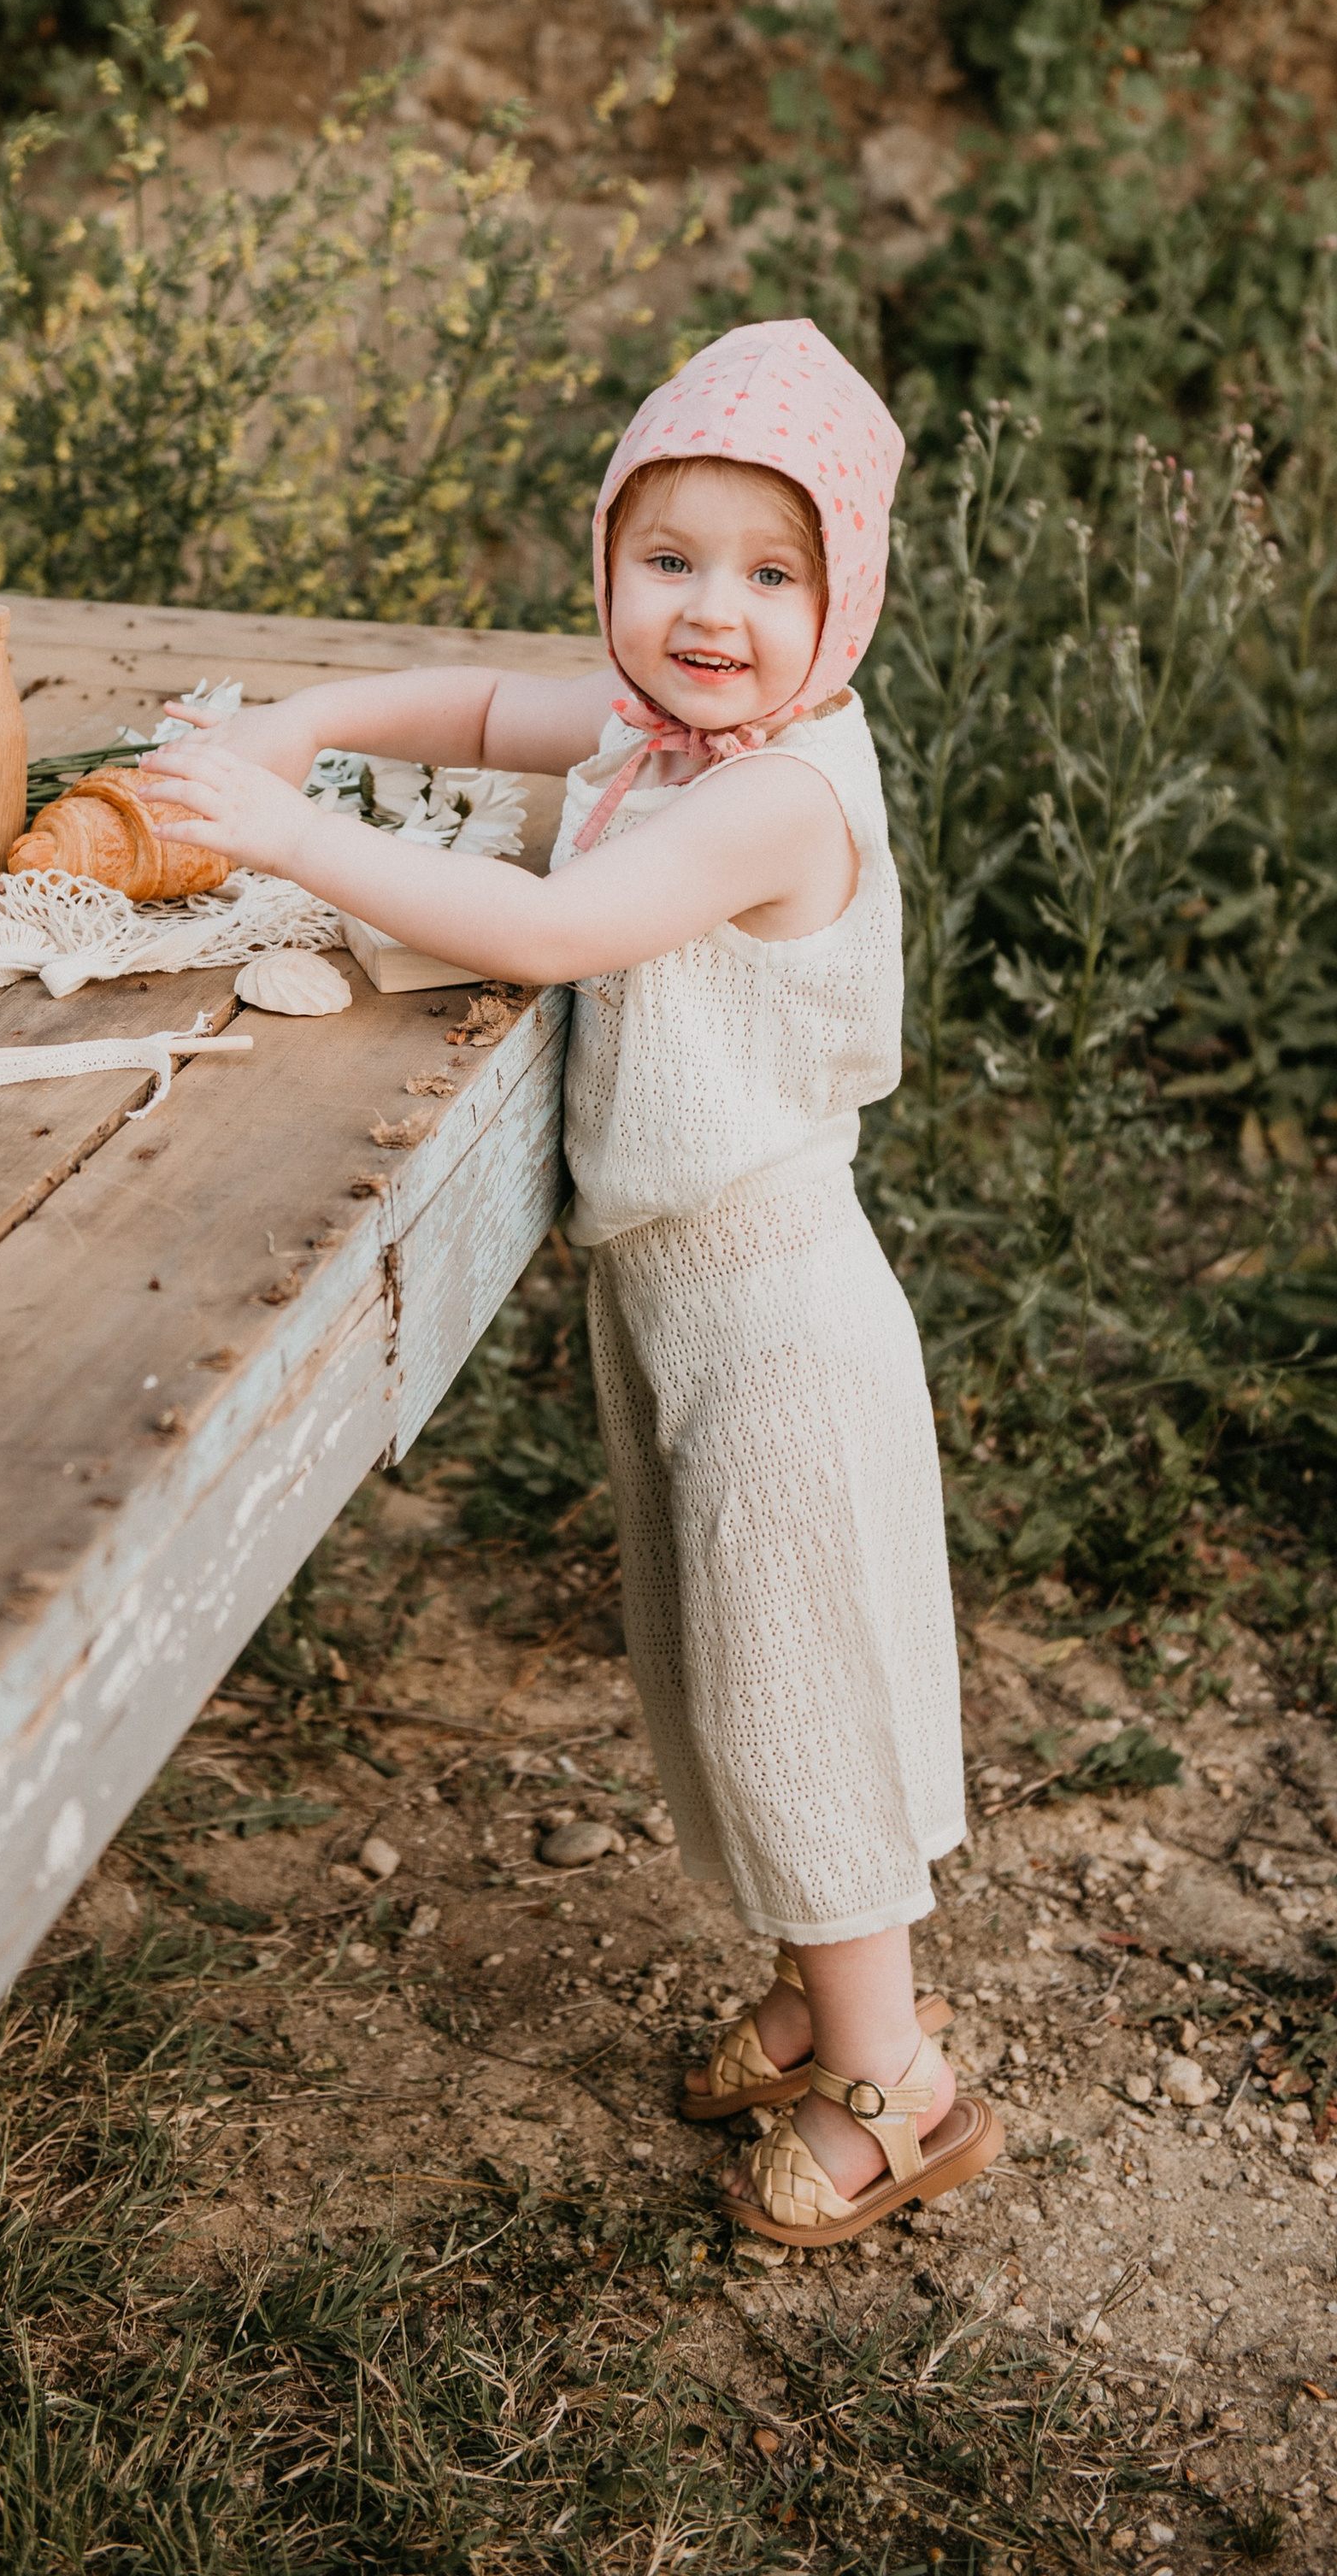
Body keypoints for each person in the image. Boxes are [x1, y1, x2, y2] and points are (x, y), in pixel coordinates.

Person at [136, 317, 998, 2249]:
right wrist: (298, 727)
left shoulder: (775, 796)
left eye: (772, 576)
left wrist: (290, 835)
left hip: (775, 1312)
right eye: (666, 557)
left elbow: (545, 921)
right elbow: (466, 703)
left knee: (799, 1690)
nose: (711, 611)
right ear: (607, 561)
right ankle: (815, 1997)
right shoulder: (664, 729)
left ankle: (901, 2083)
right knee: (719, 1680)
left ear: (841, 599)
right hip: (683, 1303)